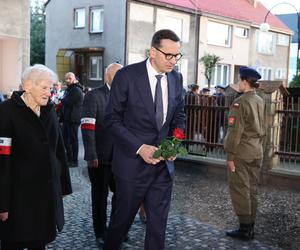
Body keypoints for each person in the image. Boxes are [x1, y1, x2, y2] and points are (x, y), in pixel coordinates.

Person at [103, 29, 185, 250]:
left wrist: (173, 144)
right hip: (131, 167)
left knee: (158, 228)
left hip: (162, 169)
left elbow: (179, 117)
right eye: (168, 55)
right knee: (120, 225)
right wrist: (139, 148)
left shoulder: (177, 78)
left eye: (177, 56)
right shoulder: (127, 76)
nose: (173, 61)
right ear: (152, 52)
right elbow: (111, 119)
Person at [0, 64, 72, 250]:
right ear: (27, 86)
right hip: (18, 198)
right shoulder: (6, 111)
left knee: (39, 243)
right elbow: (2, 160)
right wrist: (2, 202)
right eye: (44, 87)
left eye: (50, 88)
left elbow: (58, 150)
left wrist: (62, 185)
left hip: (44, 197)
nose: (49, 93)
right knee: (13, 242)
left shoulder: (49, 111)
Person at [81, 63, 122, 245]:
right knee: (99, 197)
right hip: (100, 157)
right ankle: (100, 232)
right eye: (117, 74)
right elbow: (87, 127)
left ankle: (115, 229)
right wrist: (91, 154)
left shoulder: (126, 97)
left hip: (121, 158)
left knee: (121, 195)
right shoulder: (94, 96)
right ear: (107, 76)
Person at [224, 66, 265, 240]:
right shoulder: (259, 100)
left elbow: (234, 133)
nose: (238, 83)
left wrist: (230, 156)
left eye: (239, 80)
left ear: (245, 81)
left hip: (241, 151)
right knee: (252, 189)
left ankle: (245, 228)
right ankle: (251, 226)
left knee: (240, 188)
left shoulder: (240, 102)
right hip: (257, 150)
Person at [61, 72, 83, 167]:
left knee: (73, 140)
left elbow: (67, 102)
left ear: (74, 79)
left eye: (69, 78)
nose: (67, 80)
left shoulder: (76, 90)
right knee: (65, 139)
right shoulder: (69, 89)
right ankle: (69, 157)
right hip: (67, 118)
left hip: (73, 119)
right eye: (66, 78)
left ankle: (74, 160)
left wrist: (62, 100)